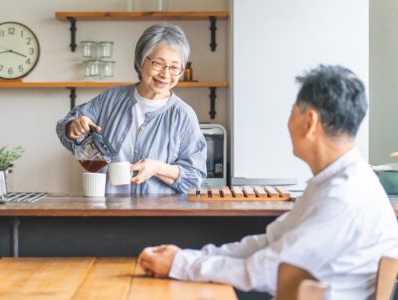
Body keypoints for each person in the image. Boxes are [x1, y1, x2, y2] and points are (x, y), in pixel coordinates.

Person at [138, 65, 398, 299]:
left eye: (291, 113)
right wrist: (187, 257)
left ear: (310, 122)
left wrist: (180, 265)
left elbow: (270, 269)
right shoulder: (334, 182)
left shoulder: (343, 195)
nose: (288, 122)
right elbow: (267, 242)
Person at [56, 23, 206, 194]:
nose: (165, 74)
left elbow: (195, 178)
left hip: (159, 217)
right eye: (158, 63)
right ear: (141, 60)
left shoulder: (183, 115)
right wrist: (73, 127)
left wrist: (158, 168)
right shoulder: (112, 98)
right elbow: (64, 127)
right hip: (108, 212)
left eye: (174, 67)